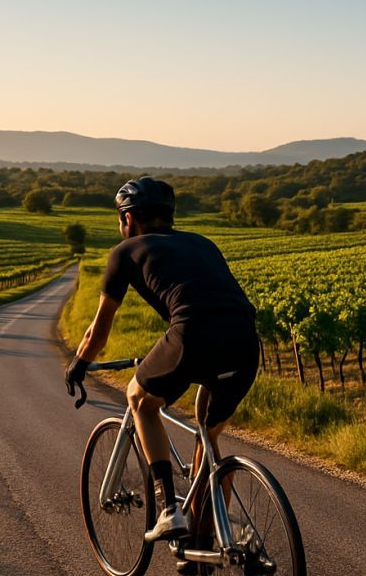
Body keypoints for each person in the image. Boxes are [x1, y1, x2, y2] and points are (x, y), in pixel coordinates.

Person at [64, 176, 260, 556]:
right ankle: (203, 545)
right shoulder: (203, 243)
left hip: (192, 334)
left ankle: (169, 509)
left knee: (138, 398)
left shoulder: (126, 251)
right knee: (208, 434)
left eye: (121, 218)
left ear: (130, 217)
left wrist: (79, 363)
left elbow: (98, 330)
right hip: (245, 341)